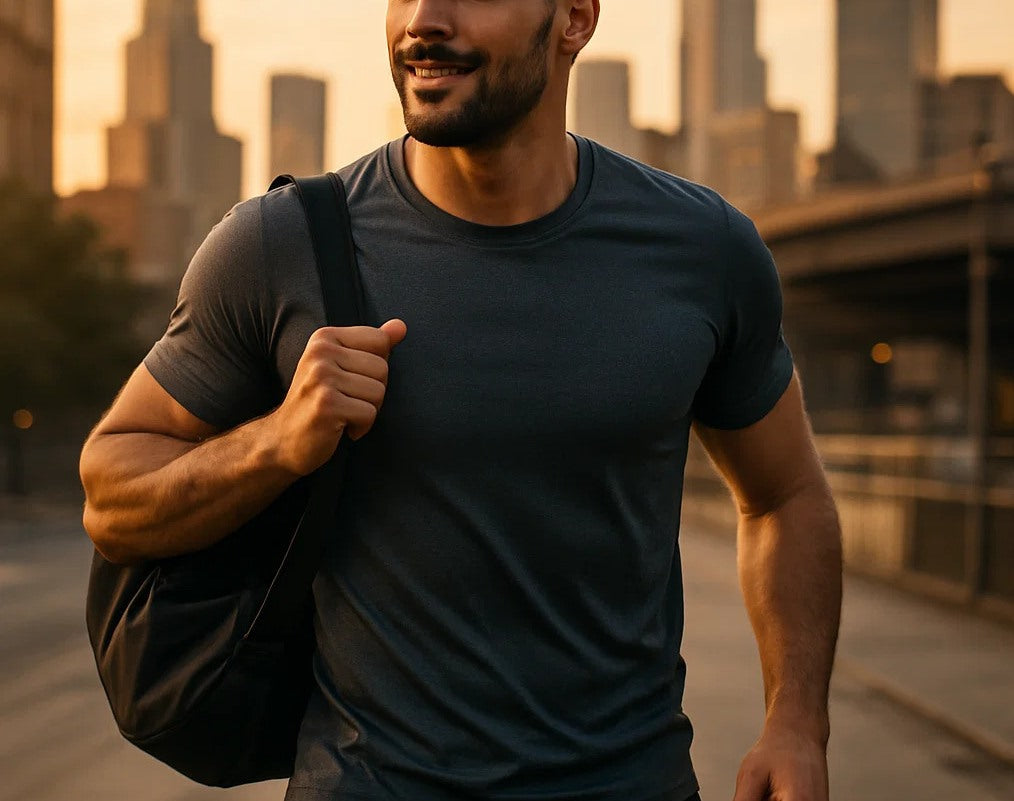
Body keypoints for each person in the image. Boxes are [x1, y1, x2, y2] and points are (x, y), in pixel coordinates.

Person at [79, 1, 843, 799]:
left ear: (574, 20)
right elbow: (112, 492)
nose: (423, 19)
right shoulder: (280, 244)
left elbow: (785, 495)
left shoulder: (703, 250)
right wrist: (275, 444)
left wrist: (796, 721)